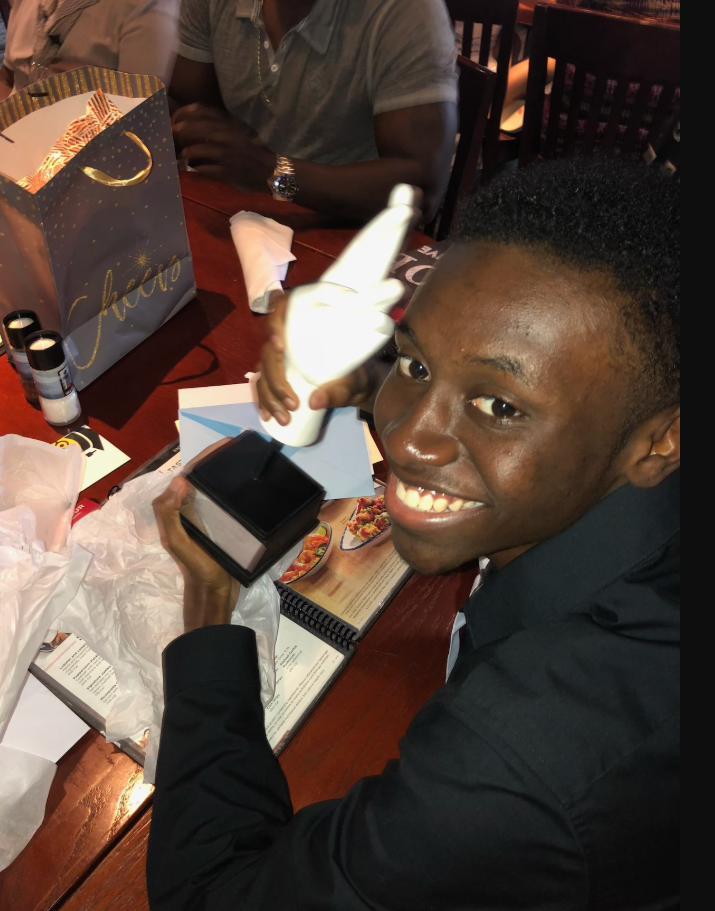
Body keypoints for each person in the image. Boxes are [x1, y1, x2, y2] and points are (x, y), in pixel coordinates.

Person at [148, 158, 680, 909]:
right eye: (416, 361)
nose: (407, 439)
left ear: (658, 442)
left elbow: (210, 893)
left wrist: (209, 601)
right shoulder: (647, 446)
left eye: (499, 407)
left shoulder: (511, 761)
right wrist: (367, 376)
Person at [169, 0, 459, 223]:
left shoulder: (405, 11)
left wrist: (272, 174)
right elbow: (186, 103)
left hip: (351, 240)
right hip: (237, 216)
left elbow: (421, 191)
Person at [0, 0, 180, 101]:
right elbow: (8, 78)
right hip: (13, 143)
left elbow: (143, 117)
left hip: (87, 154)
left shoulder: (148, 7)